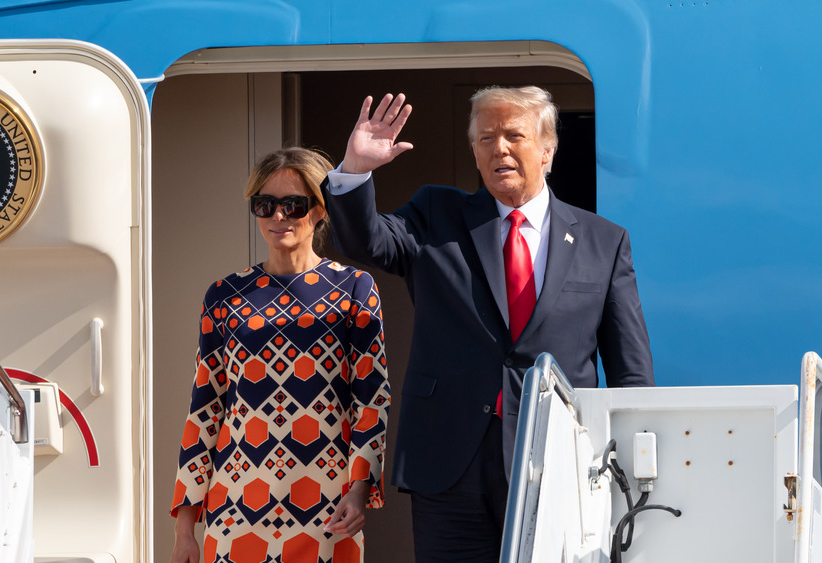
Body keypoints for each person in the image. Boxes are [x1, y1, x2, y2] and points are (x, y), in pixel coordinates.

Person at [321, 86, 654, 561]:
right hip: (449, 466)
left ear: (547, 149)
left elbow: (630, 369)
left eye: (513, 135)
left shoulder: (604, 242)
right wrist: (355, 170)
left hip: (558, 461)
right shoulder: (437, 215)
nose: (498, 148)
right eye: (485, 138)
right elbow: (365, 241)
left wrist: (635, 469)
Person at [170, 147, 391, 563]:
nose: (278, 217)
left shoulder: (355, 290)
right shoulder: (225, 296)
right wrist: (185, 528)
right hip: (234, 509)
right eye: (265, 205)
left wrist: (360, 490)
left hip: (329, 506)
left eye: (293, 205)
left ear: (321, 211)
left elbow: (371, 401)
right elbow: (204, 410)